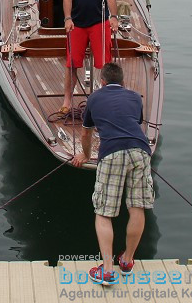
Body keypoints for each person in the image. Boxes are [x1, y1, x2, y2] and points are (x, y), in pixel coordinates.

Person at [72, 62, 154, 286]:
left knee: (104, 211)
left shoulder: (94, 99)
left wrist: (85, 155)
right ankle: (127, 261)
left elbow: (86, 133)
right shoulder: (136, 97)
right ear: (124, 81)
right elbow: (134, 122)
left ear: (102, 82)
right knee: (137, 207)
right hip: (141, 151)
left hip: (111, 154)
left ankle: (107, 270)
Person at [61, 0, 118, 114]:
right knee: (72, 64)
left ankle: (104, 99)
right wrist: (68, 18)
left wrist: (114, 17)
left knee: (104, 63)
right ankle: (67, 100)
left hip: (98, 23)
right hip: (76, 24)